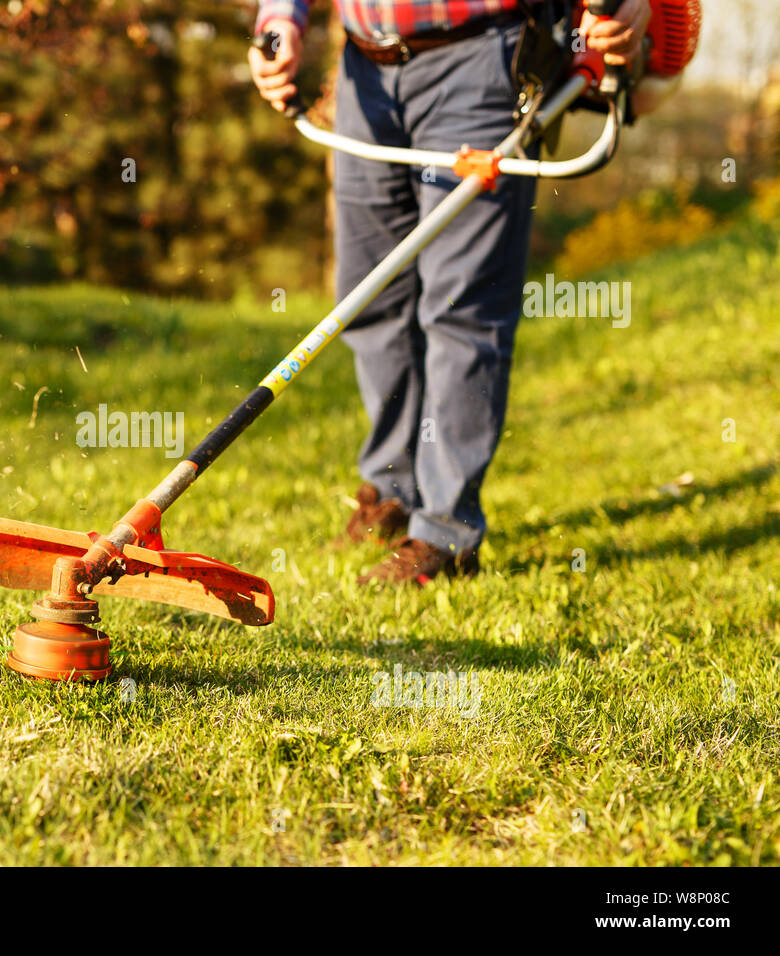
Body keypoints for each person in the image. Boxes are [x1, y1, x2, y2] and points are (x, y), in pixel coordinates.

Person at [248, 0, 650, 585]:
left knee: (462, 308)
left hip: (481, 60)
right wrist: (280, 20)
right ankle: (392, 488)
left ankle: (445, 533)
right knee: (370, 298)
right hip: (365, 68)